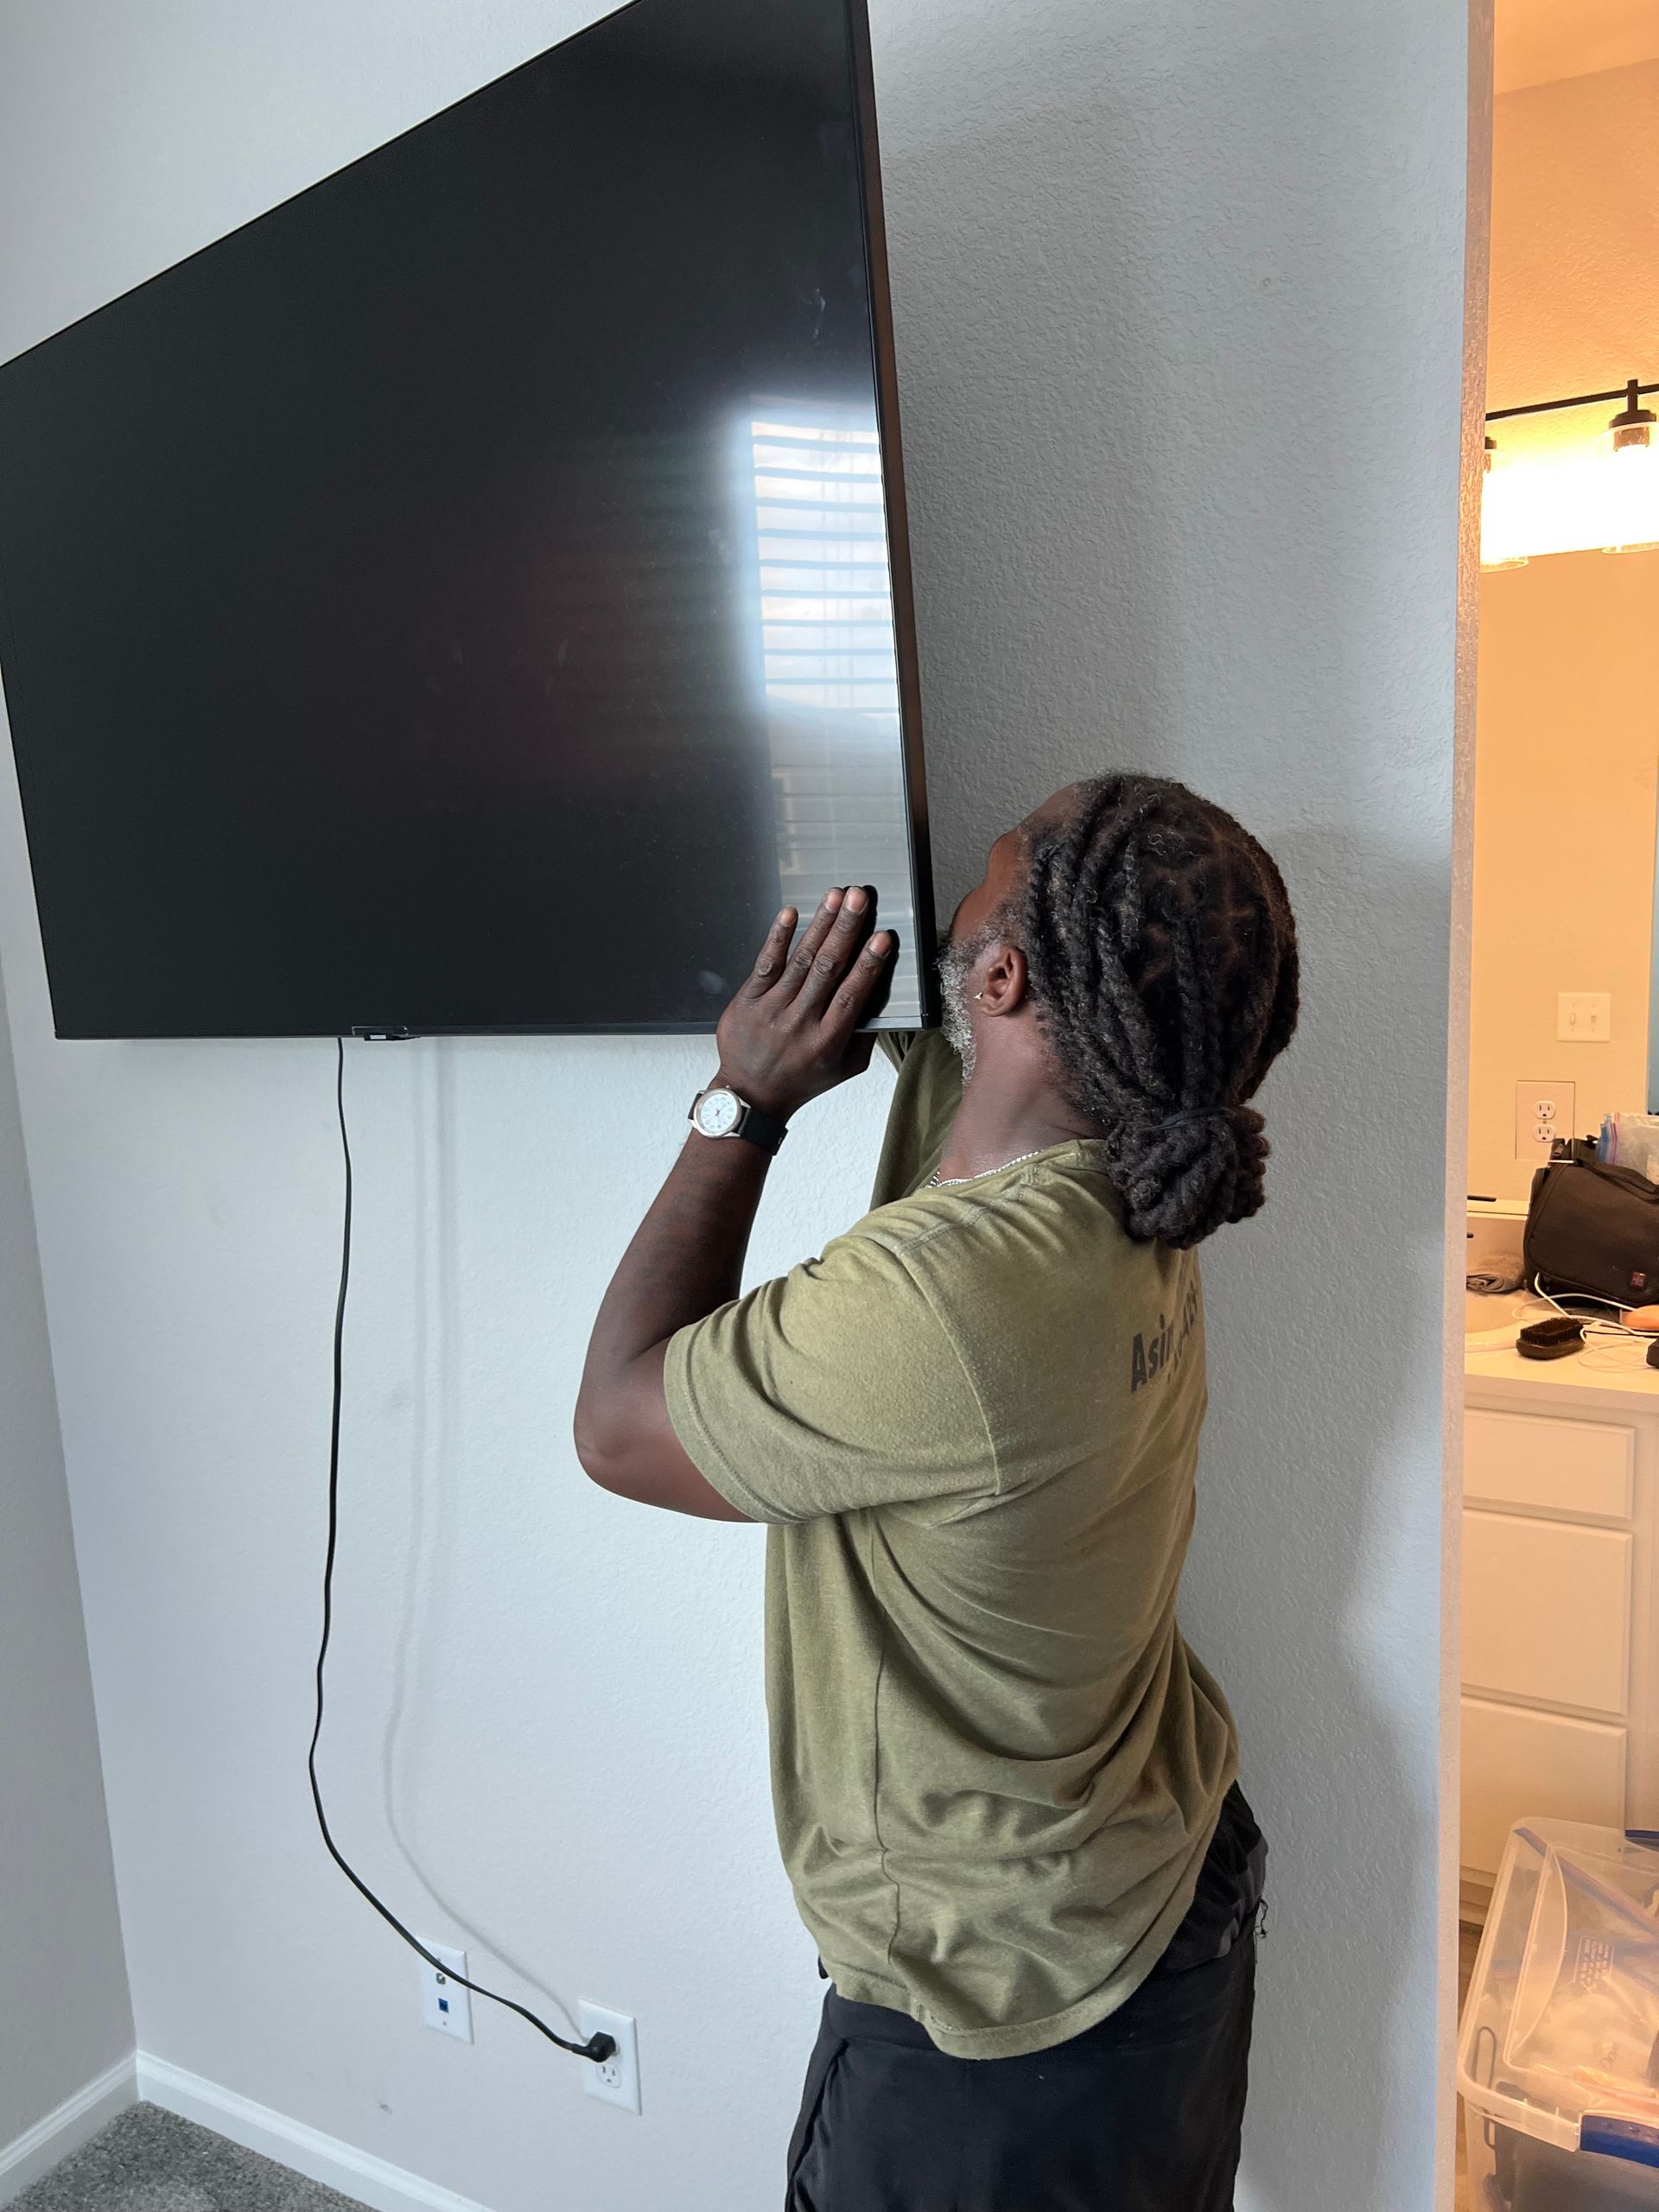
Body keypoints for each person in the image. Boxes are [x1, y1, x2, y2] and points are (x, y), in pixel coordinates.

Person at [575, 772, 1300, 2212]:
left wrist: (743, 1102)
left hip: (1002, 2010)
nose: (955, 901)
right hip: (1162, 1885)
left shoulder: (948, 1300)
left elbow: (616, 1424)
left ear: (1006, 977)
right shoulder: (1137, 1173)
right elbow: (957, 1094)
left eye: (983, 878)